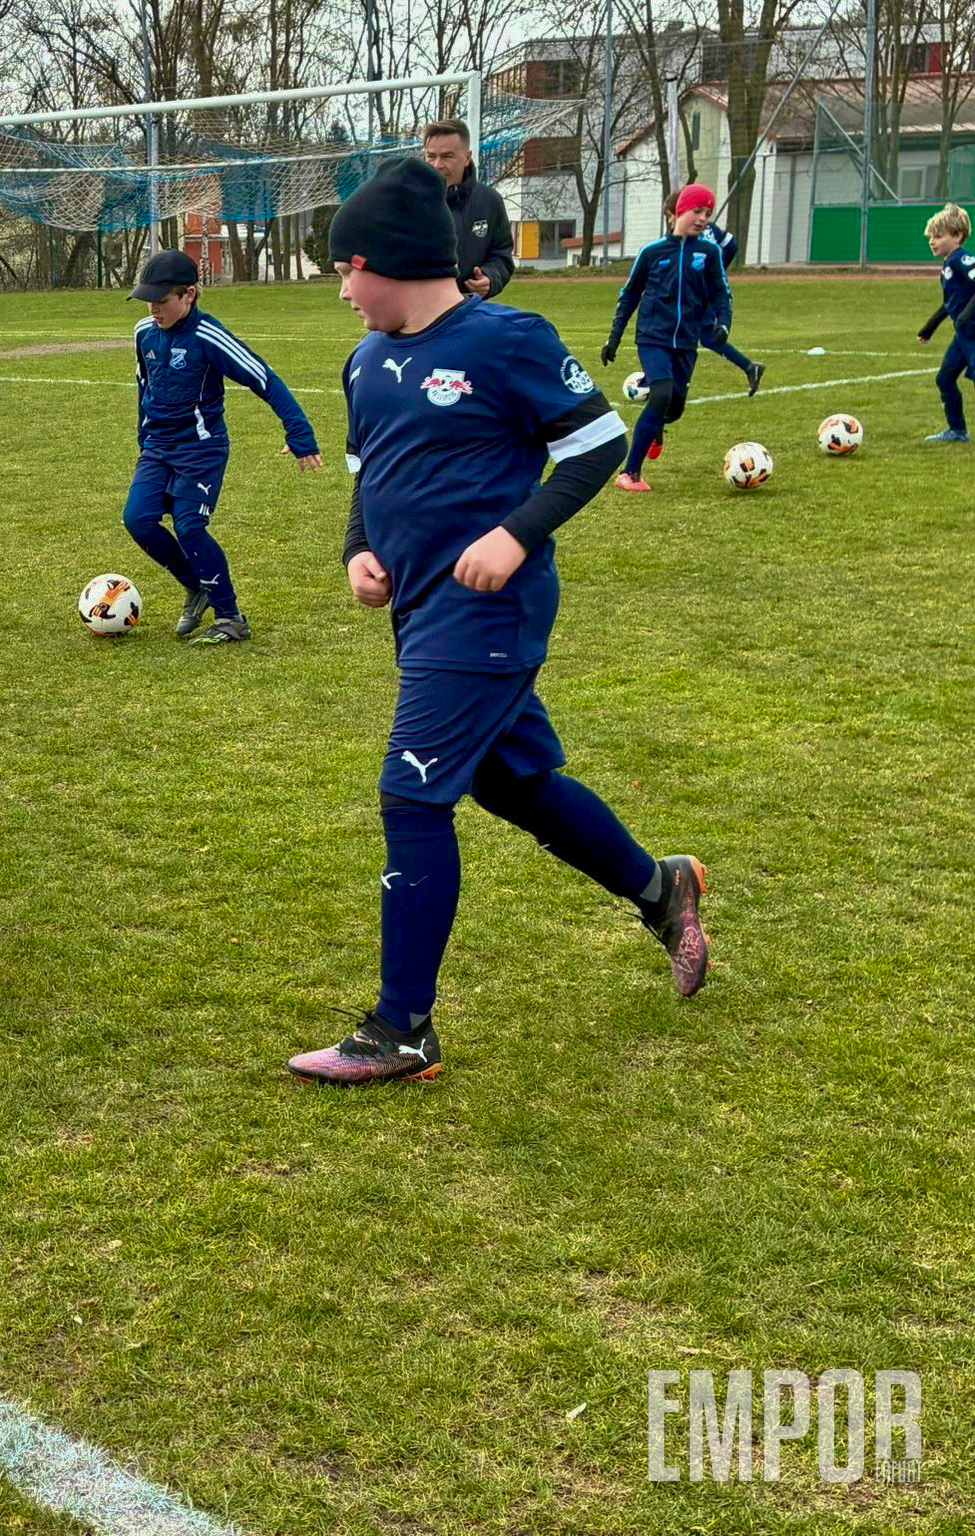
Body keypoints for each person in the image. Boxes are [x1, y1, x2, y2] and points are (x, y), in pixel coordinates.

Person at [286, 158, 708, 1087]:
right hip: (424, 612)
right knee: (515, 783)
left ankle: (402, 1028)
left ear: (384, 262)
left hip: (487, 614)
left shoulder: (503, 339)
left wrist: (517, 537)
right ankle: (659, 886)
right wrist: (359, 548)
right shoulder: (365, 361)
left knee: (413, 793)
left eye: (343, 272)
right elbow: (370, 472)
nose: (342, 292)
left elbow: (598, 440)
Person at [125, 249, 322, 645]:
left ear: (190, 295)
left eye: (162, 301)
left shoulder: (208, 337)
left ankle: (230, 617)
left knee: (190, 528)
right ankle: (196, 585)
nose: (153, 308)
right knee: (138, 520)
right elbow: (143, 388)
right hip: (157, 448)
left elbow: (264, 378)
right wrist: (144, 437)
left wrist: (299, 434)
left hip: (201, 449)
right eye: (149, 300)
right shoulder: (143, 332)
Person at [600, 183, 732, 493]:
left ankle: (657, 427)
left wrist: (723, 324)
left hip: (686, 343)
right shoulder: (652, 252)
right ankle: (630, 473)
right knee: (660, 395)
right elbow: (629, 294)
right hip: (652, 338)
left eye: (708, 214)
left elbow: (722, 294)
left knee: (674, 408)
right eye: (697, 211)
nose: (703, 219)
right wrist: (615, 337)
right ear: (679, 212)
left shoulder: (710, 253)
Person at [421, 119, 515, 299]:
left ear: (467, 157)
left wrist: (490, 278)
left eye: (447, 156)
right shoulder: (408, 201)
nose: (437, 165)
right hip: (417, 313)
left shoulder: (489, 201)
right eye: (431, 156)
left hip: (468, 311)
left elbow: (501, 255)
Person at [917, 202, 975, 444]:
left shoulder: (964, 260)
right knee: (944, 378)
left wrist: (965, 316)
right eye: (931, 236)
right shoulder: (947, 268)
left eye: (938, 236)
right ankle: (957, 431)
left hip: (973, 332)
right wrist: (929, 328)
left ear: (958, 235)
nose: (932, 241)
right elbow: (948, 304)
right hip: (963, 336)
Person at [695, 213, 766, 396]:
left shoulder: (688, 230)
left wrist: (714, 270)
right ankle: (750, 367)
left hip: (699, 290)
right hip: (706, 287)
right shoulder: (711, 227)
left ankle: (663, 383)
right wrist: (719, 268)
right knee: (705, 336)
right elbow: (731, 245)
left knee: (693, 334)